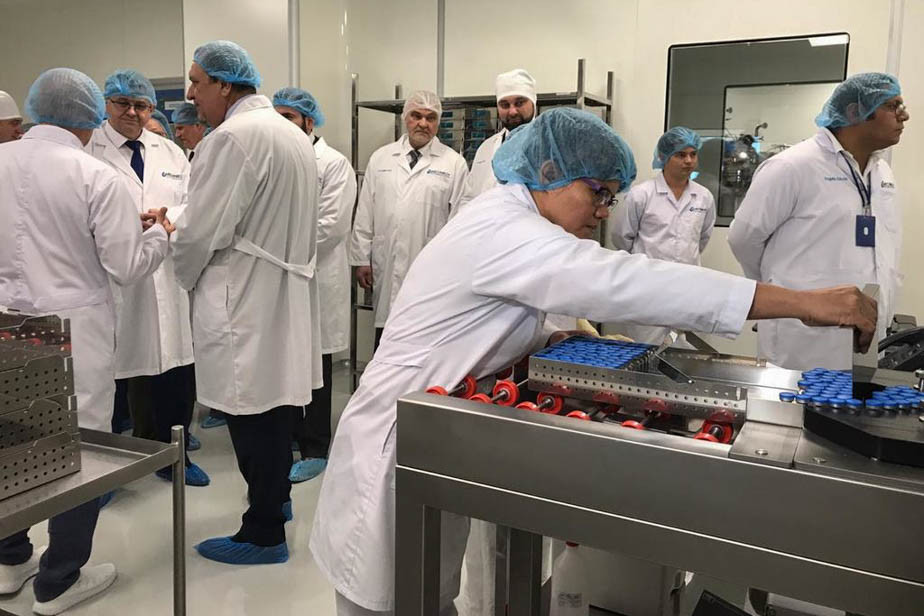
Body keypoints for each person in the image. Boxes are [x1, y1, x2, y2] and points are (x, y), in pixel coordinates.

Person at [310, 107, 877, 616]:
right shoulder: (507, 230)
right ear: (549, 171)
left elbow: (484, 317)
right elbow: (627, 279)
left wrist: (549, 335)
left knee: (427, 595)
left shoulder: (514, 221)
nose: (604, 211)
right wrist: (804, 303)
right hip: (393, 448)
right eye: (598, 192)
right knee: (393, 597)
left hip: (428, 436)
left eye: (612, 197)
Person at [0, 67, 172, 615]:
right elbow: (126, 266)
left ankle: (10, 558)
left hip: (6, 324)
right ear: (94, 114)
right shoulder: (97, 175)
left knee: (15, 439)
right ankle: (59, 579)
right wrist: (158, 234)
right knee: (78, 450)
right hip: (73, 330)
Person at [173, 40, 321, 565]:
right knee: (275, 404)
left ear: (224, 84)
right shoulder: (290, 134)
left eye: (197, 82)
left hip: (242, 293)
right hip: (280, 289)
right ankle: (277, 501)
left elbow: (200, 231)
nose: (191, 94)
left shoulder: (232, 139)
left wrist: (179, 265)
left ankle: (262, 533)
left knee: (248, 410)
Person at [728, 72, 908, 370]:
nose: (904, 115)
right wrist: (782, 293)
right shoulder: (793, 166)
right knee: (798, 400)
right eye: (892, 106)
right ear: (855, 112)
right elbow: (743, 239)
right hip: (803, 337)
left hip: (868, 334)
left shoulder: (882, 172)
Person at [86, 69, 208, 486]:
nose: (132, 112)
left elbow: (193, 202)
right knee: (114, 378)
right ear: (106, 104)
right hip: (114, 277)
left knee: (174, 370)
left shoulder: (169, 152)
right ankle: (107, 470)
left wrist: (167, 219)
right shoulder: (90, 149)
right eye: (123, 104)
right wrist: (124, 223)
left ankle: (174, 459)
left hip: (167, 271)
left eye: (141, 105)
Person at [273, 86, 358, 483]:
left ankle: (316, 445)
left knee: (318, 364)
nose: (281, 125)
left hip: (317, 274)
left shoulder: (334, 164)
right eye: (277, 117)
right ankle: (291, 434)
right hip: (282, 273)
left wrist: (279, 249)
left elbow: (331, 226)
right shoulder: (277, 157)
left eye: (288, 117)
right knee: (288, 358)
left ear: (309, 121)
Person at [349, 90, 469, 347]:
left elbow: (459, 221)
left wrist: (452, 268)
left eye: (431, 117)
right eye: (416, 116)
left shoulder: (454, 163)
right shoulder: (381, 158)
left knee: (423, 339)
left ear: (438, 122)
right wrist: (361, 259)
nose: (423, 123)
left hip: (430, 267)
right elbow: (365, 211)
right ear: (405, 117)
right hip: (386, 261)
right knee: (385, 338)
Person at [610, 126, 716, 343]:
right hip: (648, 288)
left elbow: (702, 238)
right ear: (663, 157)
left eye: (693, 154)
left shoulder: (703, 197)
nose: (689, 161)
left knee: (683, 348)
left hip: (687, 287)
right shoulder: (641, 194)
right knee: (645, 347)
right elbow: (622, 237)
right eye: (681, 155)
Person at [458, 68, 537, 209]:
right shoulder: (486, 148)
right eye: (505, 105)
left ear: (533, 102)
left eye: (519, 103)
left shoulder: (549, 146)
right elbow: (469, 197)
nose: (512, 111)